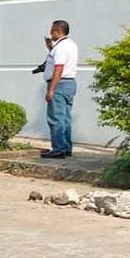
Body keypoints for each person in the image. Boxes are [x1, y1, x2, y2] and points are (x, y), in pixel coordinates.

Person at [40, 19, 77, 159]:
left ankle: (58, 149)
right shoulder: (70, 44)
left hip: (59, 84)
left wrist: (51, 90)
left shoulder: (61, 47)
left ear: (58, 31)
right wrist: (50, 48)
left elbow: (59, 68)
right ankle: (66, 147)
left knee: (56, 118)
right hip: (69, 83)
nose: (50, 33)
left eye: (52, 31)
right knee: (65, 118)